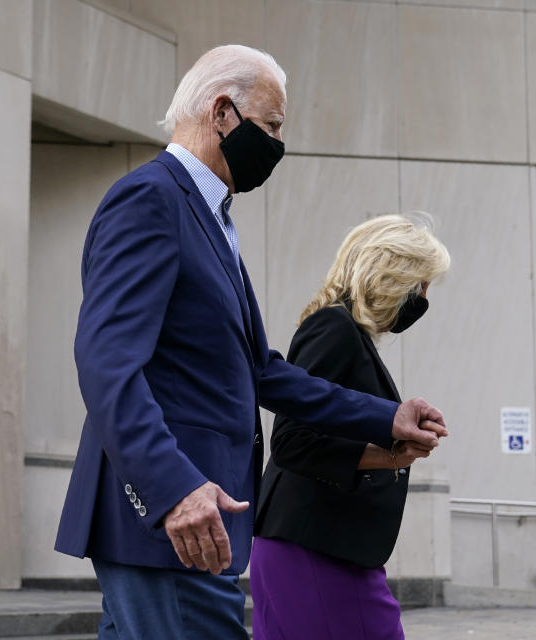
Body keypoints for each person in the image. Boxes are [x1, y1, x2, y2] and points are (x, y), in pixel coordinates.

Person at [53, 45, 448, 639]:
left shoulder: (214, 220)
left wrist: (387, 418)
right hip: (172, 519)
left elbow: (262, 370)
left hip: (198, 523)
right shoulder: (152, 199)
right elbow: (106, 363)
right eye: (272, 125)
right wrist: (173, 490)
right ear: (220, 112)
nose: (279, 145)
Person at [252, 214, 452, 640]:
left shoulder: (346, 332)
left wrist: (392, 452)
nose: (424, 298)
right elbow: (291, 440)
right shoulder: (333, 327)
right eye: (422, 284)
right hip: (315, 551)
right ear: (393, 275)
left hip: (323, 549)